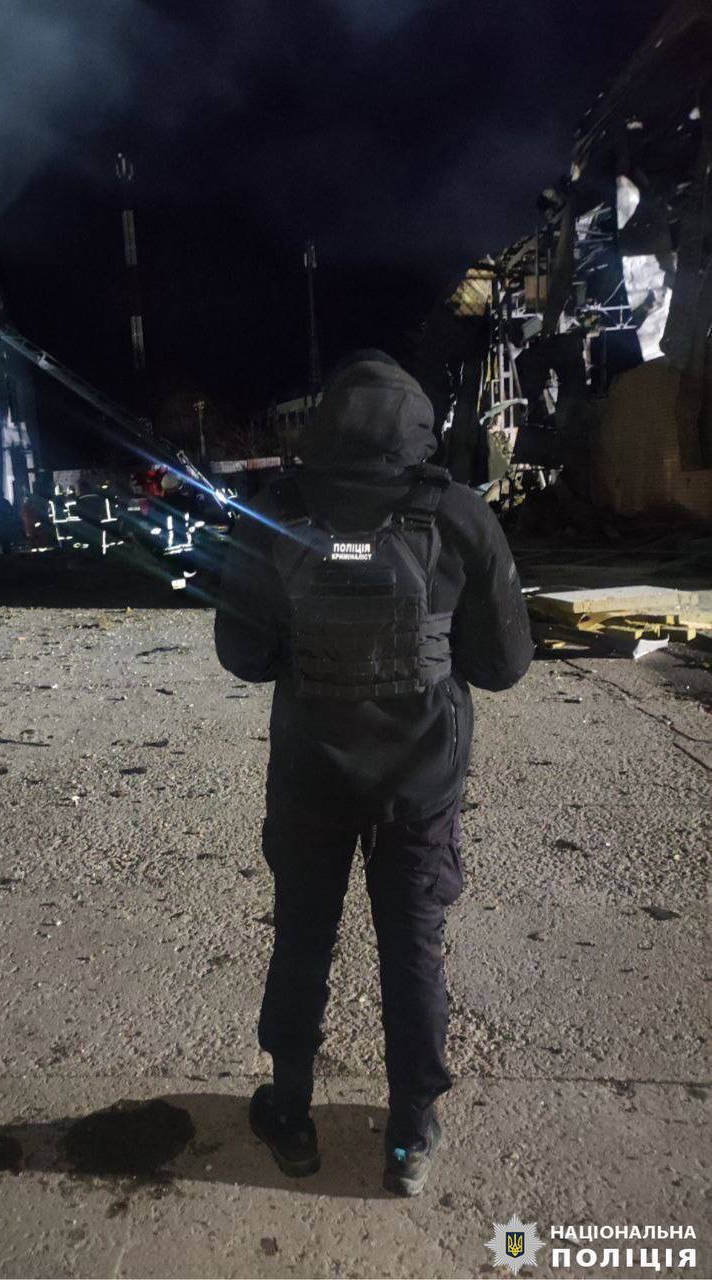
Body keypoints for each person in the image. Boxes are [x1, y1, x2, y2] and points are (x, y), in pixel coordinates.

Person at [214, 351, 533, 1196]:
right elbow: (504, 666)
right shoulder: (458, 514)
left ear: (324, 426)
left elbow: (242, 656)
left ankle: (289, 1115)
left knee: (302, 939)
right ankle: (410, 1134)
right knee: (414, 948)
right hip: (420, 784)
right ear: (418, 427)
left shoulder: (274, 514)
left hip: (310, 777)